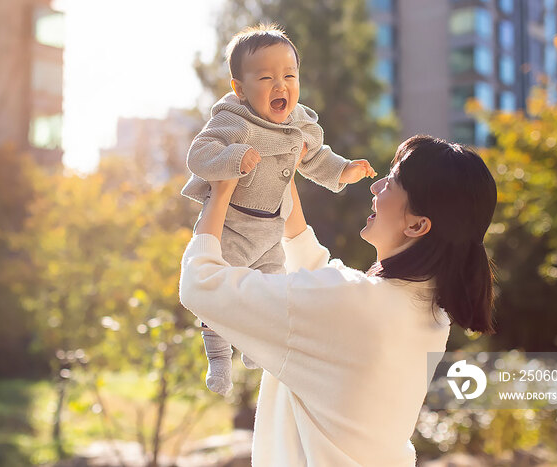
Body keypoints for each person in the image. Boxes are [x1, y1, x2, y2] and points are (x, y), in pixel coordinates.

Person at [179, 135, 497, 466]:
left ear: (417, 224)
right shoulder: (430, 316)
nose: (376, 188)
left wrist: (220, 193)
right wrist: (282, 176)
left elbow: (201, 284)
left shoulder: (350, 303)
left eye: (394, 181)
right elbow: (317, 289)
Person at [181, 23, 376, 395]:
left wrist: (343, 170)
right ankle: (219, 359)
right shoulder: (233, 120)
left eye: (289, 75)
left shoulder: (299, 122)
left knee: (272, 288)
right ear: (239, 88)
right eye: (266, 77)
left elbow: (315, 158)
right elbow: (199, 155)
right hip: (232, 226)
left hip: (271, 230)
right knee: (220, 293)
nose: (280, 85)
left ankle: (255, 345)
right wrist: (234, 158)